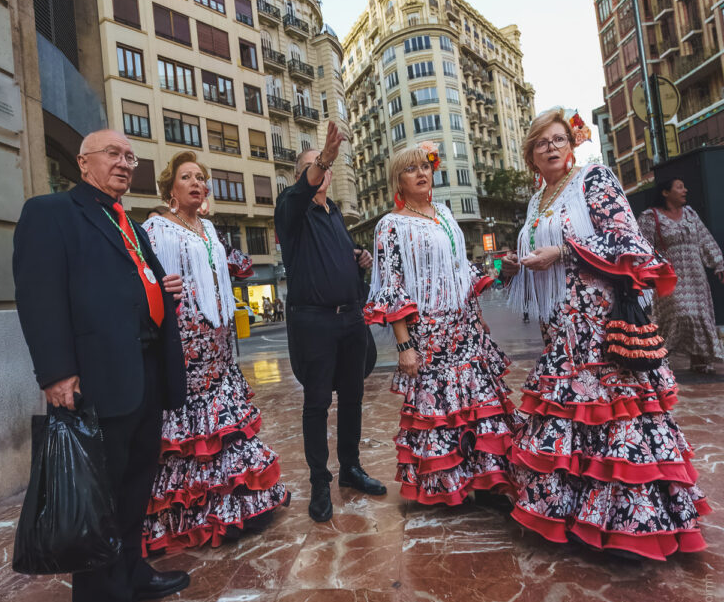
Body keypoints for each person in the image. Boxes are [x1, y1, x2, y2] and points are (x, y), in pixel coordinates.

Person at [503, 108, 709, 560]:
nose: (552, 147)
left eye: (558, 139)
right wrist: (524, 262)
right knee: (574, 414)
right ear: (531, 155)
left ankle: (632, 524)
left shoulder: (593, 178)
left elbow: (625, 239)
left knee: (613, 410)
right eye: (542, 143)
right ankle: (578, 515)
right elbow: (543, 251)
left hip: (597, 320)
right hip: (559, 323)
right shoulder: (538, 200)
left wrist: (562, 252)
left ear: (571, 144)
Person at [13, 129, 189, 602]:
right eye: (113, 154)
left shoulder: (129, 223)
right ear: (83, 162)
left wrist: (160, 292)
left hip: (144, 374)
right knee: (101, 496)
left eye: (130, 156)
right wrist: (55, 372)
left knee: (135, 486)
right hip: (96, 378)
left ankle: (132, 572)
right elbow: (39, 296)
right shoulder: (52, 213)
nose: (124, 163)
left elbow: (130, 288)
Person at [142, 152, 289, 552]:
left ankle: (235, 506)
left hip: (220, 346)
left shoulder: (207, 227)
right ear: (170, 187)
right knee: (192, 434)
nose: (197, 183)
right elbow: (143, 278)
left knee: (224, 430)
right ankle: (195, 515)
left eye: (202, 178)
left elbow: (236, 266)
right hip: (185, 346)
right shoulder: (155, 228)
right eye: (187, 177)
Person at [365, 141, 516, 504]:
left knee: (478, 404)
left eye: (425, 166)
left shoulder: (445, 216)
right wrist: (404, 346)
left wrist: (498, 269)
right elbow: (393, 287)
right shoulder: (390, 225)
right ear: (397, 182)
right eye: (410, 169)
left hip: (464, 327)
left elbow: (459, 271)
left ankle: (487, 480)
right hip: (426, 334)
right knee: (439, 410)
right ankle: (450, 486)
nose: (420, 173)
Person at [274, 121, 386, 522]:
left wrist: (358, 262)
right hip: (314, 324)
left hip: (350, 322)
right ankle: (320, 481)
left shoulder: (335, 213)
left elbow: (335, 262)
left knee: (353, 398)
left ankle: (350, 468)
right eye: (312, 168)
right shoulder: (291, 208)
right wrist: (322, 156)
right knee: (317, 403)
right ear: (303, 176)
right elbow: (303, 189)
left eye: (323, 169)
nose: (319, 174)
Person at [638, 178, 724, 373]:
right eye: (679, 187)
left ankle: (700, 360)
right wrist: (644, 274)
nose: (685, 190)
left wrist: (719, 264)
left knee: (700, 316)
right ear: (665, 193)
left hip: (696, 276)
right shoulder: (650, 217)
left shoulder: (691, 214)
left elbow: (705, 239)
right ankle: (660, 356)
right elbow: (642, 247)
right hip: (668, 278)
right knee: (679, 315)